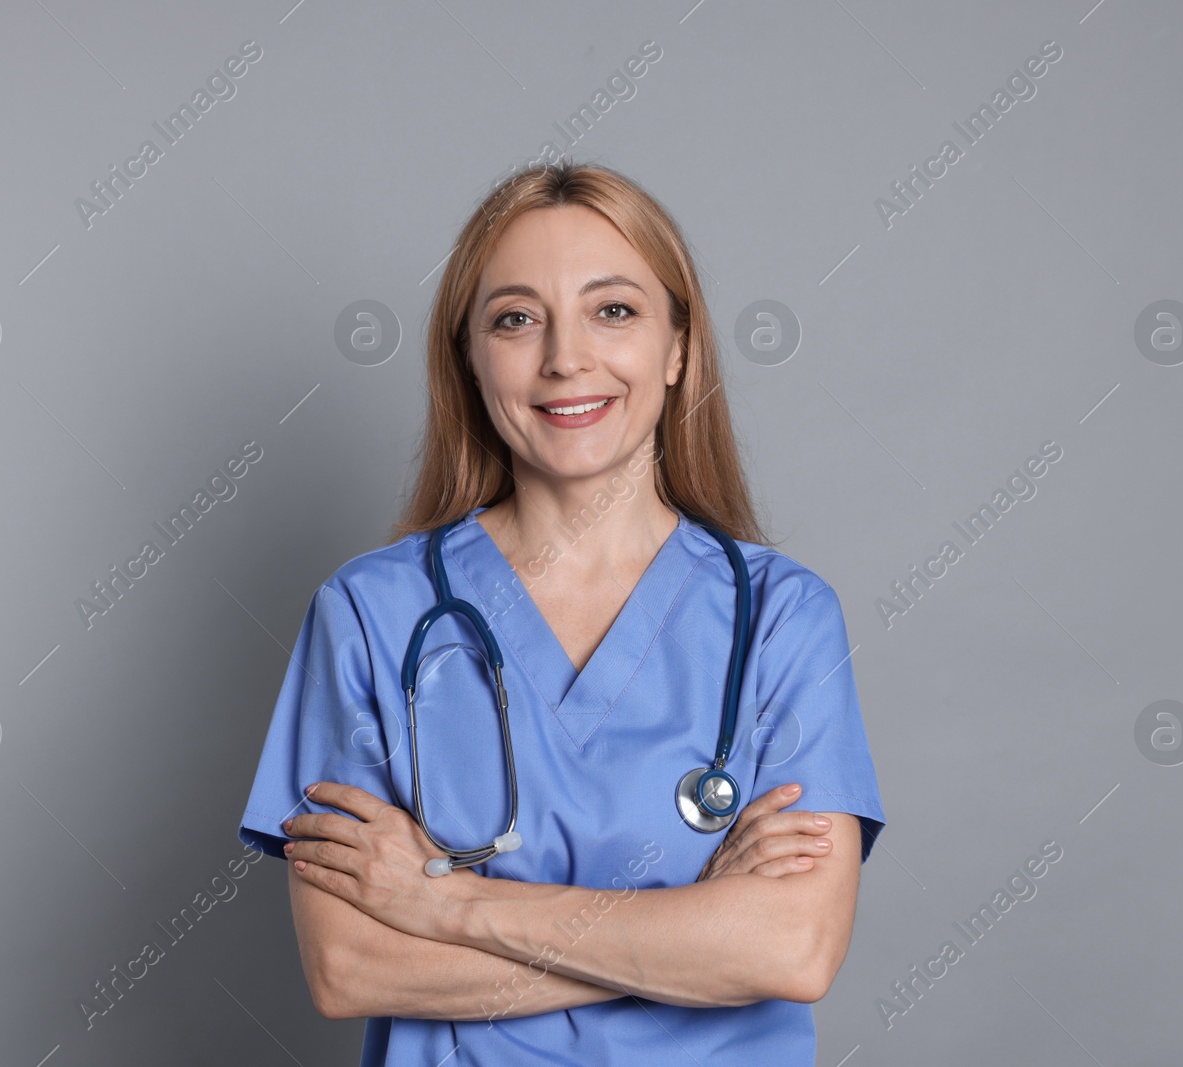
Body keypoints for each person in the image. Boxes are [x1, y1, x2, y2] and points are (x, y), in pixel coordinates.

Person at [237, 161, 885, 1065]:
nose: (565, 358)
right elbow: (348, 964)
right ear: (469, 357)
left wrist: (450, 905)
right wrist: (689, 939)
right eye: (515, 318)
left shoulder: (781, 618)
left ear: (678, 349)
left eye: (613, 310)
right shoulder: (369, 614)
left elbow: (793, 947)